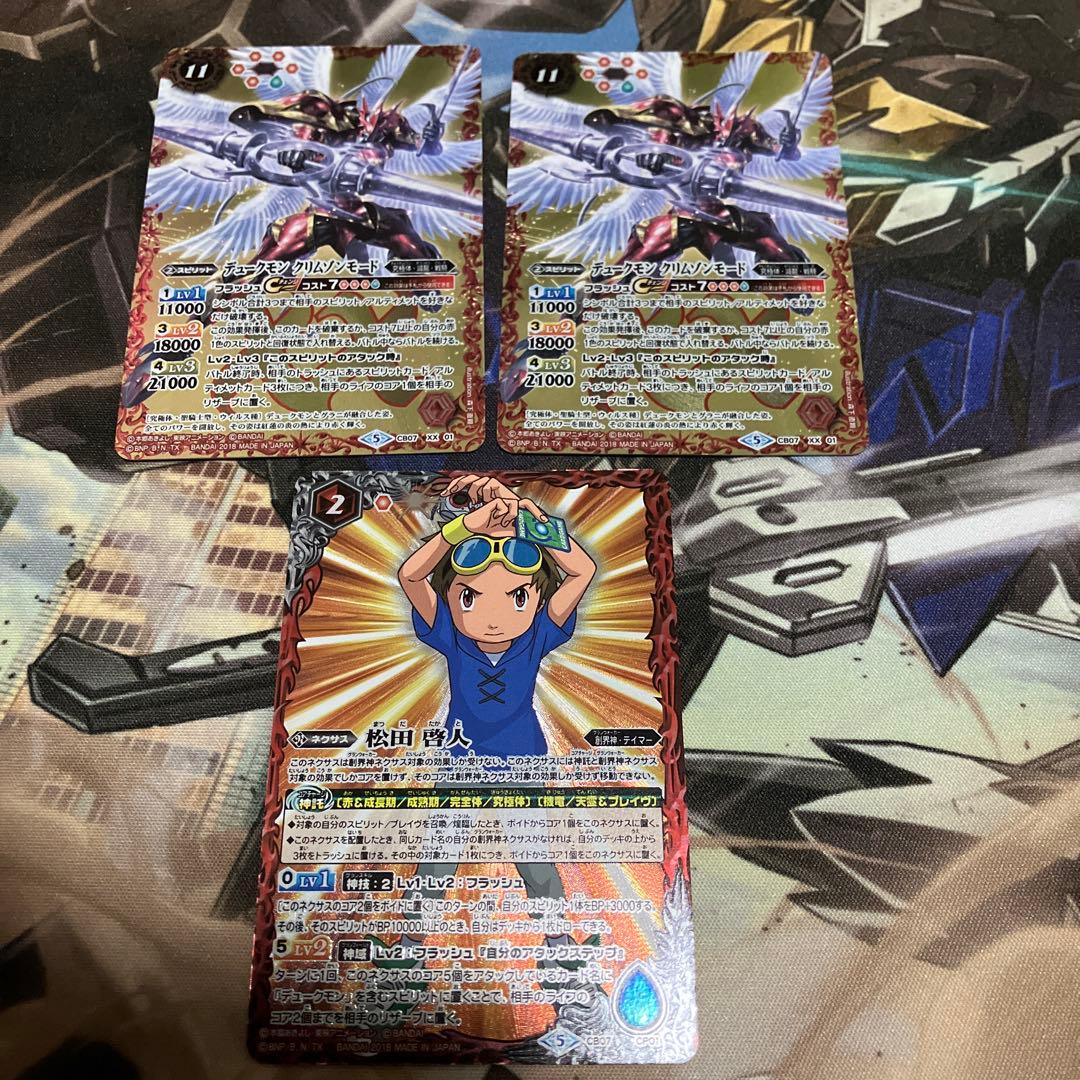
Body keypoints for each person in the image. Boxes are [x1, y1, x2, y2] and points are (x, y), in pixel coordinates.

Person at [398, 474, 596, 758]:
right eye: (469, 598)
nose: (493, 619)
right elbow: (410, 576)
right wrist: (464, 527)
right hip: (461, 758)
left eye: (518, 598)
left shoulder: (538, 635)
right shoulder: (450, 634)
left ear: (539, 602)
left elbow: (582, 571)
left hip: (524, 757)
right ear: (448, 599)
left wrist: (521, 515)